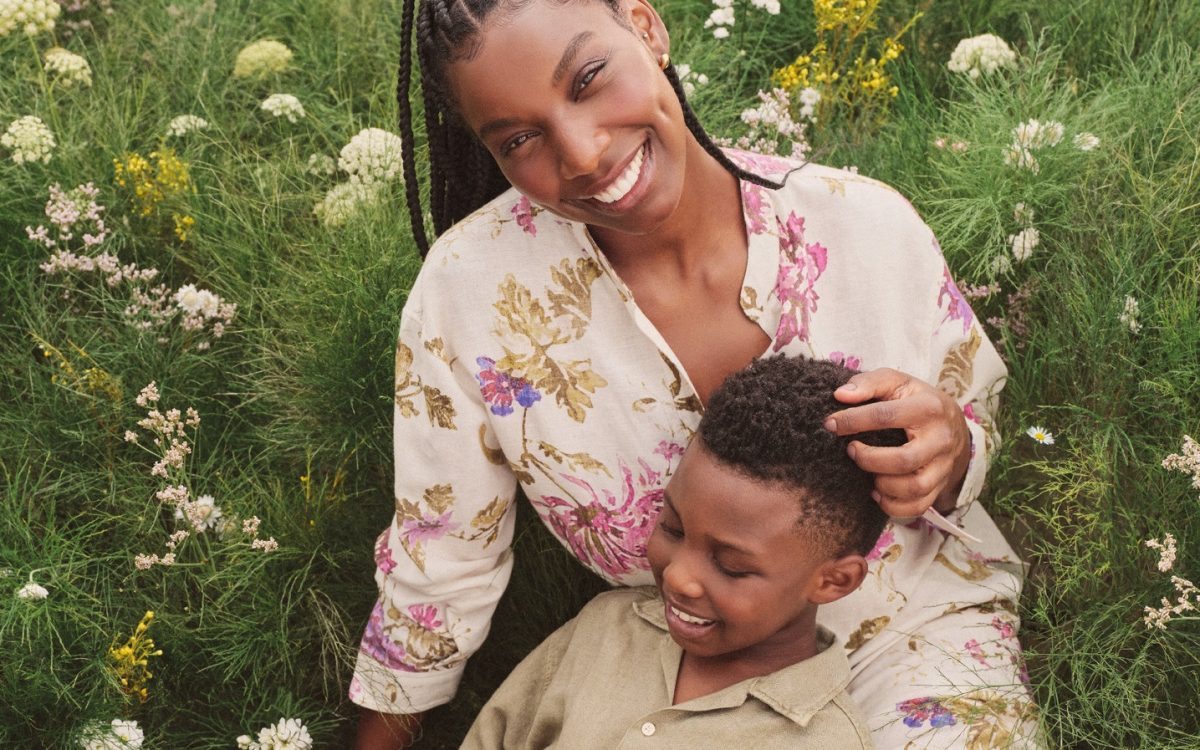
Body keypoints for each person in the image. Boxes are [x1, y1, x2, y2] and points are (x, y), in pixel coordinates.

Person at [353, 0, 1039, 747]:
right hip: (678, 661)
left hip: (913, 632)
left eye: (587, 78)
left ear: (647, 29)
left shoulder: (865, 229)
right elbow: (442, 556)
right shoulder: (470, 294)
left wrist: (950, 451)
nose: (581, 154)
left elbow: (969, 433)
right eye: (520, 138)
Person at [459, 355, 900, 749]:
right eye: (672, 527)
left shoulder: (826, 742)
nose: (678, 578)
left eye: (731, 567)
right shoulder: (607, 628)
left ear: (833, 581)